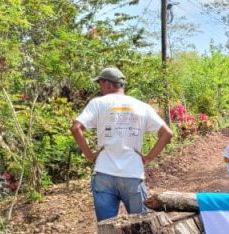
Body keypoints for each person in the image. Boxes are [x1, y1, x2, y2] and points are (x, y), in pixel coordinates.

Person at [70, 67, 173, 222]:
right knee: (141, 227)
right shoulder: (142, 106)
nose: (100, 88)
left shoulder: (98, 103)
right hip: (132, 173)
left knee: (106, 228)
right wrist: (147, 158)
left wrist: (91, 156)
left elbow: (76, 128)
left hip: (104, 173)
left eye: (100, 84)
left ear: (108, 84)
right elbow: (167, 133)